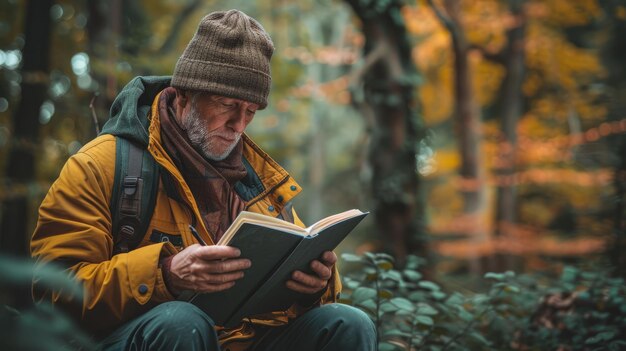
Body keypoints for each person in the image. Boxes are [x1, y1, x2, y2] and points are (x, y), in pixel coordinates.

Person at [30, 9, 376, 351]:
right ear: (184, 95)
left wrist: (316, 285)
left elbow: (300, 294)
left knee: (348, 323)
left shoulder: (260, 183)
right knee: (181, 322)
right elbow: (54, 290)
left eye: (251, 112)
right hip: (143, 338)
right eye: (227, 104)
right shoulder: (101, 165)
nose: (239, 125)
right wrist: (163, 274)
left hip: (240, 342)